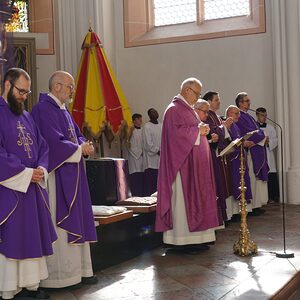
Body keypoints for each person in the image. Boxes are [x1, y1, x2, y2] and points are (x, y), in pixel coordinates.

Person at [31, 71, 97, 288]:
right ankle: (60, 277)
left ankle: (79, 272)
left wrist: (84, 145)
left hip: (73, 173)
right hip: (57, 175)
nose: (72, 90)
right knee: (60, 223)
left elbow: (75, 135)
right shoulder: (42, 109)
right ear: (56, 86)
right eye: (69, 86)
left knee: (76, 217)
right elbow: (51, 141)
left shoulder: (64, 110)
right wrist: (78, 149)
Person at [0, 68, 57, 299]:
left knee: (31, 235)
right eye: (21, 91)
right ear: (6, 85)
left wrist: (41, 169)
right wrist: (24, 172)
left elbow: (43, 146)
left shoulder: (26, 116)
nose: (24, 96)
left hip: (31, 189)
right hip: (10, 189)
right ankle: (10, 288)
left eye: (27, 91)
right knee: (13, 236)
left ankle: (30, 285)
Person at [155, 78, 219, 254]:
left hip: (195, 167)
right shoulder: (174, 109)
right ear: (187, 90)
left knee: (197, 201)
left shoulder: (187, 109)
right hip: (183, 168)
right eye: (197, 93)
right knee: (184, 205)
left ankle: (198, 239)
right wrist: (198, 131)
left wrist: (201, 129)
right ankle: (182, 241)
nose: (197, 96)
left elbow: (190, 129)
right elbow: (175, 136)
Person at [235, 92, 269, 215]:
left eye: (249, 100)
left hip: (255, 149)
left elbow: (258, 130)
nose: (249, 103)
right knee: (250, 177)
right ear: (240, 103)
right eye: (246, 101)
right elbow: (249, 133)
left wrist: (262, 136)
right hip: (249, 152)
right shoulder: (239, 116)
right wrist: (262, 136)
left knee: (255, 180)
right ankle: (251, 207)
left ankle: (256, 205)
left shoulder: (248, 116)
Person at [202, 91, 233, 223]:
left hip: (220, 155)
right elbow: (212, 132)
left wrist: (223, 127)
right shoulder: (207, 116)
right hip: (213, 154)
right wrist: (224, 127)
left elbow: (218, 130)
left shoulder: (214, 115)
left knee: (223, 184)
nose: (219, 102)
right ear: (208, 102)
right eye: (216, 100)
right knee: (218, 184)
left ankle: (225, 215)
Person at [225, 105, 253, 220]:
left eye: (239, 113)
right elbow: (229, 142)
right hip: (233, 159)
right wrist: (243, 143)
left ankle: (241, 211)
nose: (238, 116)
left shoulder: (235, 125)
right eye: (236, 113)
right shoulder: (228, 125)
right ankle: (234, 213)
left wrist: (243, 142)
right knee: (235, 184)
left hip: (240, 158)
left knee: (242, 182)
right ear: (229, 114)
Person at [256, 107, 279, 203]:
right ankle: (261, 199)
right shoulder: (254, 127)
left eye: (265, 115)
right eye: (262, 115)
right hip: (258, 154)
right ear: (257, 115)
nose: (264, 117)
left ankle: (272, 196)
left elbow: (275, 140)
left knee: (271, 174)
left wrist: (269, 142)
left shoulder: (270, 128)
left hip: (268, 153)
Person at [142, 108, 162, 196]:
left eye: (156, 111)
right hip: (151, 160)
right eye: (153, 112)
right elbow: (147, 143)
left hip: (161, 158)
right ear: (149, 115)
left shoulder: (161, 125)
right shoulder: (147, 126)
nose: (155, 113)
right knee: (151, 186)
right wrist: (157, 150)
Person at [125, 113, 144, 196]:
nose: (141, 121)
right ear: (134, 120)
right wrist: (140, 152)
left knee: (142, 176)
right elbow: (130, 146)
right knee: (136, 177)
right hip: (134, 158)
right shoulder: (131, 131)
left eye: (141, 119)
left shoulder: (143, 130)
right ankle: (136, 194)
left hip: (143, 158)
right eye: (139, 119)